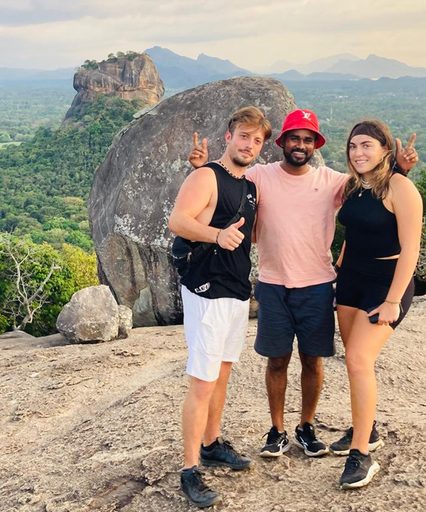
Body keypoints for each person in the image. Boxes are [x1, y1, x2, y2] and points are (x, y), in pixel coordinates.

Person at [188, 110, 418, 462]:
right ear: (281, 143)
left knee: (313, 361)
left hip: (318, 285)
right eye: (294, 138)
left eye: (307, 139)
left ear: (315, 145)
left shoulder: (333, 181)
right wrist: (202, 170)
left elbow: (374, 193)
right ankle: (277, 429)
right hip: (273, 284)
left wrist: (399, 171)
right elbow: (227, 183)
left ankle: (306, 426)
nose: (300, 145)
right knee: (276, 360)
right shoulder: (260, 176)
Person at [168, 106, 270, 508]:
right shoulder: (206, 175)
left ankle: (212, 443)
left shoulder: (249, 187)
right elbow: (178, 220)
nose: (249, 145)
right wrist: (215, 235)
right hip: (206, 289)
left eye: (257, 140)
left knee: (222, 373)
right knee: (202, 380)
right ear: (229, 137)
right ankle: (190, 468)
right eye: (244, 136)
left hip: (235, 290)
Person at [333, 119, 423, 489]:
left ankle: (362, 456)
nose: (359, 153)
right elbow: (353, 234)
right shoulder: (355, 185)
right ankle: (365, 431)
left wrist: (391, 301)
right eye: (354, 146)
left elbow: (411, 250)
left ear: (385, 149)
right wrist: (337, 272)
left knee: (359, 358)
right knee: (351, 359)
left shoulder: (401, 188)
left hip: (386, 284)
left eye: (367, 145)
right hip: (351, 280)